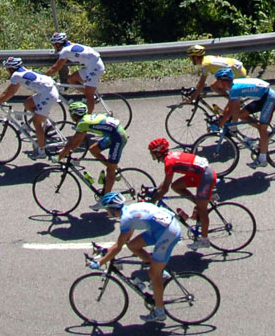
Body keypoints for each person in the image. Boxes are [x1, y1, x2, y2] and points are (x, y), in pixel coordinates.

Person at [92, 192, 184, 323]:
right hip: (160, 228)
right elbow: (126, 240)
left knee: (154, 273)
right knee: (133, 245)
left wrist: (100, 262)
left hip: (168, 233)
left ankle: (159, 311)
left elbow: (118, 245)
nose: (107, 212)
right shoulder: (129, 210)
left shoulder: (125, 219)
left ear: (112, 209)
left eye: (107, 209)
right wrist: (108, 252)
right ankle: (160, 271)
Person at [144, 137, 215, 250]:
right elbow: (167, 184)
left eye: (152, 153)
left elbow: (165, 189)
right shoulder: (170, 155)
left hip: (205, 176)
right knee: (176, 186)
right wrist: (156, 190)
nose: (151, 155)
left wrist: (152, 201)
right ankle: (200, 201)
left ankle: (204, 240)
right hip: (199, 173)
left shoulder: (169, 163)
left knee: (202, 210)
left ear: (158, 152)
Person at [0, 57, 61, 160]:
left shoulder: (16, 75)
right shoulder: (23, 70)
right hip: (48, 91)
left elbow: (9, 92)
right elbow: (11, 92)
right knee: (28, 103)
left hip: (48, 94)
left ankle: (41, 151)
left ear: (11, 69)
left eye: (7, 68)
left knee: (37, 122)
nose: (6, 70)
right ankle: (45, 120)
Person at [210, 69, 275, 168]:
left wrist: (223, 123)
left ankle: (262, 159)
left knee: (262, 129)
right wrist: (224, 119)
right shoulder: (233, 86)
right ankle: (263, 131)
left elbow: (232, 109)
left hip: (270, 98)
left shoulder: (234, 89)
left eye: (217, 81)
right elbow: (231, 108)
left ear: (223, 82)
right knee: (242, 115)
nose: (216, 83)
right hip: (262, 97)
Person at [59, 102, 128, 200]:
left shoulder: (83, 123)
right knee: (94, 149)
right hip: (114, 134)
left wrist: (59, 156)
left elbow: (74, 142)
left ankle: (105, 200)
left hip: (118, 137)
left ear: (74, 115)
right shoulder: (86, 119)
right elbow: (76, 142)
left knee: (110, 170)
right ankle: (115, 169)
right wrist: (67, 150)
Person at [45, 32, 106, 106]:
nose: (54, 47)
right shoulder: (69, 45)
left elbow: (55, 68)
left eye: (54, 44)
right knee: (71, 79)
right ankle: (93, 96)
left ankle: (88, 114)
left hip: (95, 67)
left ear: (59, 44)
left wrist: (43, 76)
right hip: (90, 65)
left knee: (89, 95)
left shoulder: (65, 51)